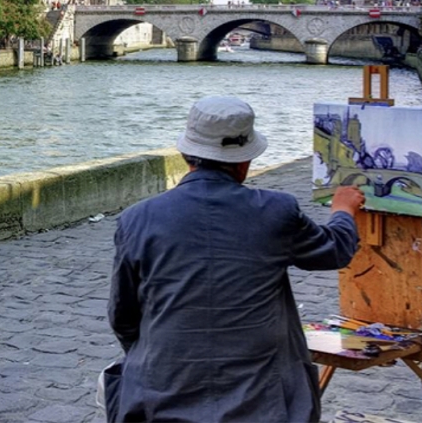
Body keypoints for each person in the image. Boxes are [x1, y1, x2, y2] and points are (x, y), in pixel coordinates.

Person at [107, 96, 364, 423]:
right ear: (244, 162)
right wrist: (343, 209)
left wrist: (161, 357)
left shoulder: (136, 218)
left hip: (160, 394)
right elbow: (335, 250)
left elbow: (123, 316)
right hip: (261, 402)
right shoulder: (275, 211)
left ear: (188, 155)